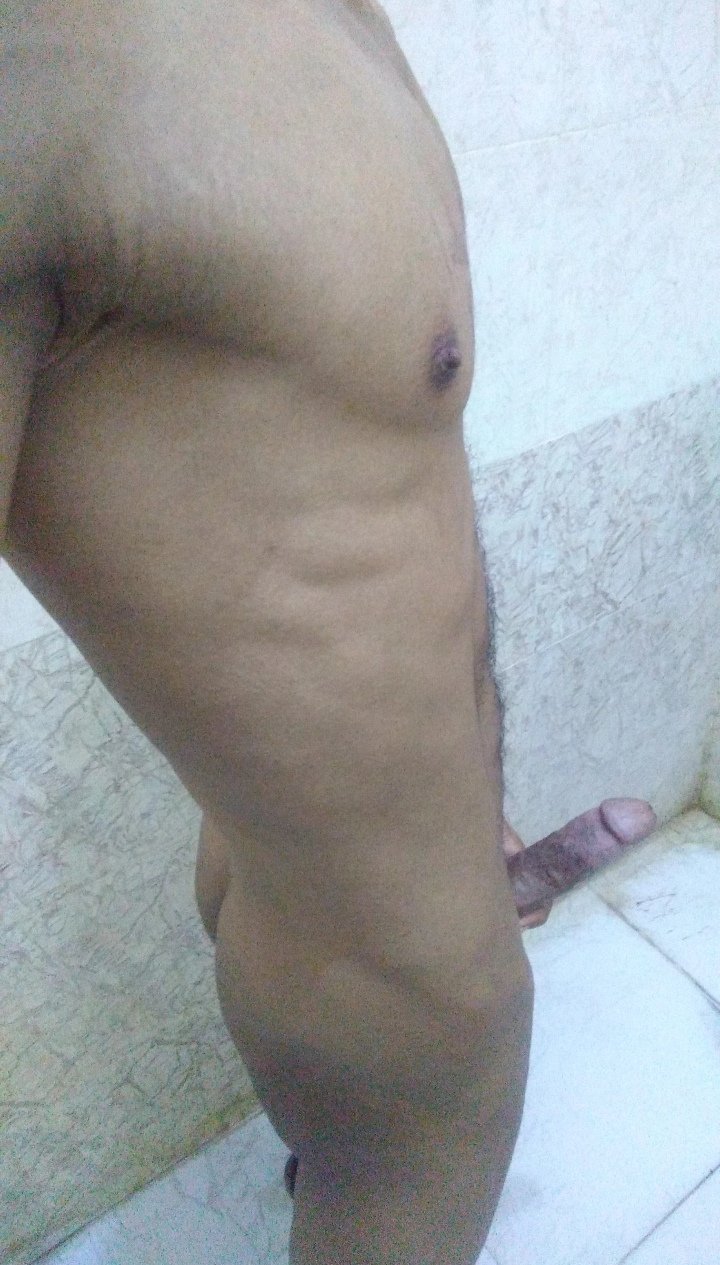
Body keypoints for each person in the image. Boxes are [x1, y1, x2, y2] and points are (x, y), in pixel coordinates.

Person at [1, 2, 656, 1260]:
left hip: (357, 903)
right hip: (393, 987)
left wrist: (462, 810)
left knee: (355, 1169)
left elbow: (380, 473)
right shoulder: (39, 62)